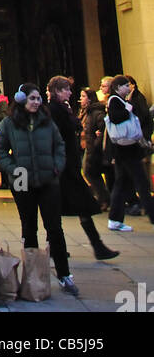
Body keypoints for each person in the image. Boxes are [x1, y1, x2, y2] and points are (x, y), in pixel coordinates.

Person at [0, 83, 77, 295]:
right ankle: (31, 275)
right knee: (28, 225)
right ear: (21, 100)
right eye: (32, 98)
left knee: (54, 228)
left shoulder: (47, 122)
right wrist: (13, 169)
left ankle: (64, 274)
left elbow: (59, 145)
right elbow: (0, 149)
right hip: (22, 180)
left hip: (48, 178)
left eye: (38, 98)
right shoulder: (9, 123)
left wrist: (57, 167)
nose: (36, 102)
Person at [47, 76, 118, 262]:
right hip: (65, 167)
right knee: (79, 205)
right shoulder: (55, 110)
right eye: (66, 89)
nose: (70, 93)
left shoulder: (61, 108)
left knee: (60, 208)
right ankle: (96, 246)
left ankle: (56, 246)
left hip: (67, 166)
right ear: (57, 91)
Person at [104, 73, 154, 233]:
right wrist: (128, 109)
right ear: (118, 87)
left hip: (124, 150)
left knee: (122, 184)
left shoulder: (119, 100)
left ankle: (115, 220)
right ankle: (152, 215)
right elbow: (115, 118)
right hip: (126, 149)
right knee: (141, 183)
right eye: (126, 85)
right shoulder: (115, 100)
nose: (128, 87)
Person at [79, 87, 110, 209]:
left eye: (83, 96)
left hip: (94, 147)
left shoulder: (96, 113)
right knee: (89, 172)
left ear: (90, 99)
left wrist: (96, 142)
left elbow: (102, 130)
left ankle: (104, 198)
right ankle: (103, 197)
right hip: (88, 145)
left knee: (90, 172)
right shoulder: (85, 112)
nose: (80, 99)